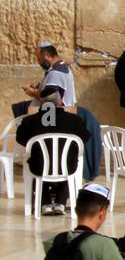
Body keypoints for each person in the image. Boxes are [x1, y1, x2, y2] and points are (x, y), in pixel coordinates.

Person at [17, 85, 89, 215]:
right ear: (60, 102)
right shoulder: (74, 120)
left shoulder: (29, 121)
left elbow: (21, 139)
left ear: (41, 103)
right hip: (68, 168)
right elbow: (85, 138)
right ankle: (60, 203)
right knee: (66, 161)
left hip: (39, 168)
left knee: (39, 161)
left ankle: (45, 203)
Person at [24, 42, 77, 109]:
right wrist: (40, 86)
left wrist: (32, 93)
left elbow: (50, 99)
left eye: (39, 59)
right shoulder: (63, 68)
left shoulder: (56, 73)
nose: (39, 62)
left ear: (48, 56)